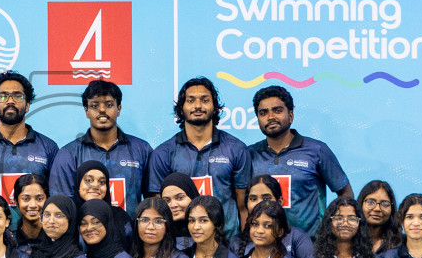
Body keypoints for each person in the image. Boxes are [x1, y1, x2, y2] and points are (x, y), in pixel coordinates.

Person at [149, 77, 251, 239]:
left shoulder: (236, 149)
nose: (198, 106)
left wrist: (245, 246)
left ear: (215, 107)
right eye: (191, 100)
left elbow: (243, 207)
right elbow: (158, 209)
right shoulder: (163, 153)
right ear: (181, 109)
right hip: (180, 245)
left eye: (205, 100)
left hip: (227, 244)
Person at [245, 83, 351, 235]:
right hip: (263, 245)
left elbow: (345, 193)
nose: (270, 117)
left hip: (311, 248)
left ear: (291, 115)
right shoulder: (249, 154)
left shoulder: (317, 150)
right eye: (263, 113)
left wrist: (330, 231)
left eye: (277, 110)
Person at [49, 80, 154, 212]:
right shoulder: (68, 153)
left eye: (109, 105)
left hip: (130, 232)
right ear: (86, 111)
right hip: (87, 231)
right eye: (95, 106)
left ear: (119, 109)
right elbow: (62, 206)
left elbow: (154, 201)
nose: (102, 110)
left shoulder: (142, 150)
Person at [245, 175, 314, 258]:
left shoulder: (298, 239)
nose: (259, 203)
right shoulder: (237, 242)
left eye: (266, 198)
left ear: (280, 201)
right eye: (253, 199)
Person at [74, 160, 133, 240]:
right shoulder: (68, 217)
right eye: (88, 180)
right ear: (78, 185)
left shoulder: (120, 216)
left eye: (102, 182)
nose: (95, 186)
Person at [357, 180, 402, 253]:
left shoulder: (400, 245)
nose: (377, 209)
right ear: (360, 204)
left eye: (384, 203)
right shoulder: (349, 242)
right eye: (371, 202)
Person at [158, 171, 197, 248]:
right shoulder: (156, 236)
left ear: (192, 197)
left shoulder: (210, 233)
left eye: (180, 198)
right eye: (167, 200)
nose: (173, 205)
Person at [10, 174, 49, 248]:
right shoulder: (9, 241)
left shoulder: (55, 237)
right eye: (26, 199)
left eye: (39, 199)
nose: (33, 205)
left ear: (47, 200)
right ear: (16, 202)